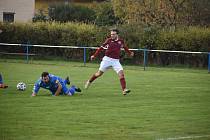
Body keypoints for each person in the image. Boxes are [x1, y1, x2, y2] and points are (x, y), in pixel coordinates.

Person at [85, 28, 134, 95]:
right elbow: (101, 48)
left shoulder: (120, 41)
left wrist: (130, 53)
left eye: (113, 34)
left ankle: (124, 89)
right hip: (107, 60)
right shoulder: (108, 40)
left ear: (117, 34)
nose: (112, 36)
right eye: (111, 34)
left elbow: (125, 47)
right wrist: (94, 55)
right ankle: (89, 81)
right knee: (99, 74)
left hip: (116, 61)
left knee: (121, 74)